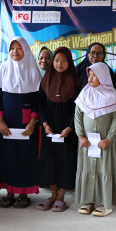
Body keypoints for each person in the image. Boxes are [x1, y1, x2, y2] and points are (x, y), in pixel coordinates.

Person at [0, 37, 41, 208]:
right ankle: (9, 192)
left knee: (23, 157)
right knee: (6, 157)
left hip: (25, 124)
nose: (15, 52)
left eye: (19, 48)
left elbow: (37, 102)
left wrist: (32, 122)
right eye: (12, 48)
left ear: (26, 51)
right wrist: (0, 121)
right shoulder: (1, 70)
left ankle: (23, 193)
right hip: (4, 123)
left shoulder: (34, 72)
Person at [74, 62, 116, 217]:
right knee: (88, 170)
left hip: (105, 145)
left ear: (103, 77)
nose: (90, 78)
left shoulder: (112, 96)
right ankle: (88, 201)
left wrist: (109, 138)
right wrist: (81, 135)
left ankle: (105, 204)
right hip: (87, 144)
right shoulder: (84, 94)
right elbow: (78, 116)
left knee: (104, 171)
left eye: (94, 75)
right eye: (89, 74)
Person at [37, 46, 80, 212]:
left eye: (63, 61)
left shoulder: (75, 83)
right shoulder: (45, 80)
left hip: (67, 130)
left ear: (69, 62)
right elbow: (40, 105)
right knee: (49, 160)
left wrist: (70, 127)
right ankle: (52, 194)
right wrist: (45, 124)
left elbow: (77, 108)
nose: (59, 64)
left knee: (65, 161)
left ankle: (61, 196)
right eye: (56, 60)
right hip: (49, 129)